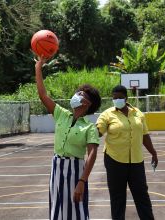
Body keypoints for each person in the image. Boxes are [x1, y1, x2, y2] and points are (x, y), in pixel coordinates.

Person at [35, 57, 101, 220]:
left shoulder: (89, 127)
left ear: (87, 103)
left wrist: (82, 181)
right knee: (57, 210)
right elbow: (43, 95)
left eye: (80, 94)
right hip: (57, 166)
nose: (76, 95)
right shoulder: (61, 114)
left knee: (76, 210)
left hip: (75, 170)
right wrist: (38, 68)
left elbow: (92, 155)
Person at [96, 85, 158, 220]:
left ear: (126, 98)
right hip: (114, 160)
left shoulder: (138, 113)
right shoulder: (107, 114)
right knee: (117, 197)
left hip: (136, 161)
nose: (117, 100)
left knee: (142, 195)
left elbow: (144, 135)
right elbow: (98, 131)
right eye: (114, 98)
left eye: (119, 97)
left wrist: (153, 152)